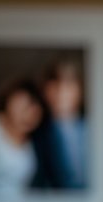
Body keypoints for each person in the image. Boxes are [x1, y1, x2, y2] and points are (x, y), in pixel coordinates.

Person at [0, 77, 44, 202]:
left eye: (34, 110)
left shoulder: (34, 141)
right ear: (9, 102)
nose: (28, 114)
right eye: (23, 106)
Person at [30, 59, 88, 191]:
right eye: (55, 83)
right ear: (44, 90)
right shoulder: (35, 132)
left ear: (80, 88)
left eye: (69, 83)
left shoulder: (96, 129)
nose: (61, 90)